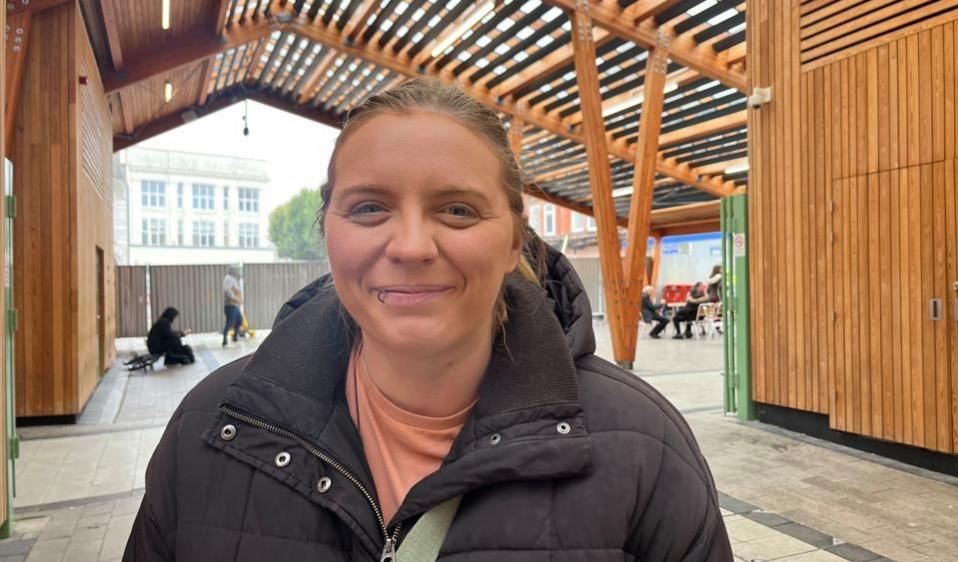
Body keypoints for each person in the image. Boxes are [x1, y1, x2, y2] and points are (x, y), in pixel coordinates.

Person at [125, 79, 731, 561]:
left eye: (458, 209)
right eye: (369, 207)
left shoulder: (644, 447)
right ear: (327, 231)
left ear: (514, 239)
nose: (411, 246)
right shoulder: (210, 429)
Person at [222, 265, 243, 346]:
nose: (237, 272)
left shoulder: (232, 279)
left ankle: (235, 336)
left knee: (239, 320)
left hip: (235, 305)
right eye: (236, 270)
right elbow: (227, 290)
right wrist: (235, 298)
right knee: (229, 322)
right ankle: (224, 339)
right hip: (230, 305)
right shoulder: (229, 278)